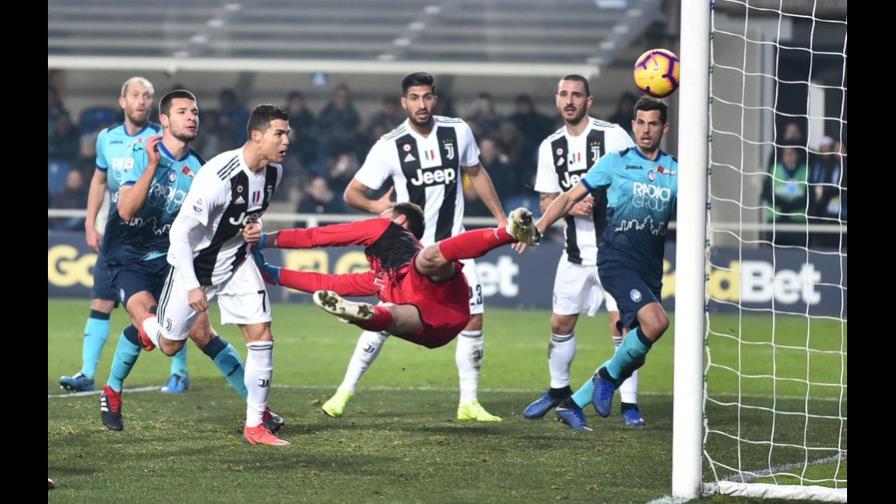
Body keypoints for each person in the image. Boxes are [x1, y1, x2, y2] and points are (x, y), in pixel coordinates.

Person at [97, 93, 283, 436]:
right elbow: (125, 211)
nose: (191, 117)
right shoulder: (140, 154)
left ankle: (258, 409)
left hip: (176, 257)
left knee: (200, 333)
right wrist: (154, 167)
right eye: (182, 112)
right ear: (164, 121)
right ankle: (111, 390)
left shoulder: (201, 168)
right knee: (152, 323)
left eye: (195, 111)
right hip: (128, 255)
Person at [331, 72, 509, 422]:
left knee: (473, 320)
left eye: (427, 97)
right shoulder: (389, 145)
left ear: (435, 99)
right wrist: (377, 208)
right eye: (414, 98)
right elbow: (352, 193)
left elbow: (476, 172)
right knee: (383, 320)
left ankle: (469, 403)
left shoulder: (458, 131)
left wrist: (501, 219)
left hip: (454, 247)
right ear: (404, 102)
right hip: (407, 252)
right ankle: (343, 392)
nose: (421, 104)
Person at [533, 96, 678, 431]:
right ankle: (606, 381)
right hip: (615, 260)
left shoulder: (675, 170)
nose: (645, 130)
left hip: (649, 266)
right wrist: (541, 226)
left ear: (664, 127)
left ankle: (576, 402)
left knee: (636, 345)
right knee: (656, 323)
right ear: (633, 126)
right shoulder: (615, 162)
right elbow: (568, 196)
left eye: (653, 123)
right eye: (640, 123)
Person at [523, 75, 647, 428]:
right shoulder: (550, 146)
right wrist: (569, 206)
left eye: (577, 94)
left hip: (616, 252)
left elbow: (636, 180)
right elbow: (547, 198)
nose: (570, 100)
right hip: (574, 254)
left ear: (589, 101)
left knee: (623, 326)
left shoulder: (612, 135)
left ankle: (629, 403)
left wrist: (604, 201)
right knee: (560, 323)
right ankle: (558, 391)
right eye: (564, 94)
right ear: (556, 100)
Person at [252, 204, 539, 352]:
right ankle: (362, 315)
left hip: (434, 289)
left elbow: (317, 236)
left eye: (386, 212)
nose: (379, 215)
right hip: (437, 323)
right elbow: (328, 285)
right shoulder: (377, 277)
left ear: (400, 220)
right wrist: (272, 274)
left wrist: (265, 240)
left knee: (427, 258)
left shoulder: (385, 229)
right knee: (392, 315)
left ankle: (508, 233)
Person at [59, 77, 192, 394]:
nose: (142, 101)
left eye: (147, 96)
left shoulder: (162, 139)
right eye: (136, 95)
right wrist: (91, 222)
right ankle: (87, 373)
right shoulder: (107, 138)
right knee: (100, 300)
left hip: (153, 238)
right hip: (116, 235)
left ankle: (179, 372)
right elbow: (99, 181)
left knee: (165, 305)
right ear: (123, 101)